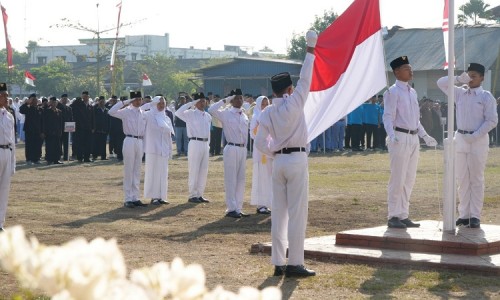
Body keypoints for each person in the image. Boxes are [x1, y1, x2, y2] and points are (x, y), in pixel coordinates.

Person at [254, 30, 318, 278]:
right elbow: (306, 77)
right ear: (289, 89)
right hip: (296, 159)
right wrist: (310, 49)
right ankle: (295, 263)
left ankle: (279, 262)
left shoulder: (267, 112)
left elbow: (260, 142)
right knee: (297, 213)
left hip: (279, 160)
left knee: (278, 213)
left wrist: (274, 153)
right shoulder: (295, 101)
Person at [437, 63, 498, 228]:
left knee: (476, 179)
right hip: (461, 138)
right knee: (462, 178)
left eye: (474, 76)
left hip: (478, 140)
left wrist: (476, 135)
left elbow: (492, 120)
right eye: (468, 75)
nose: (470, 79)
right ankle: (464, 214)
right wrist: (457, 78)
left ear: (482, 78)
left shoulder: (486, 97)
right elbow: (440, 83)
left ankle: (475, 215)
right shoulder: (460, 93)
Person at [383, 56, 438, 229]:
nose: (411, 71)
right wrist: (391, 135)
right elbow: (388, 116)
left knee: (409, 178)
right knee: (398, 178)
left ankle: (403, 214)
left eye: (411, 67)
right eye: (407, 68)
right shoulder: (392, 92)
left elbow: (415, 120)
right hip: (400, 137)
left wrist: (425, 135)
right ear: (397, 72)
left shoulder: (412, 92)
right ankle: (393, 215)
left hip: (413, 137)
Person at [208, 88, 249, 218]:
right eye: (236, 98)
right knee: (231, 179)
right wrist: (225, 100)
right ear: (231, 101)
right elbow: (211, 110)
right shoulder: (226, 113)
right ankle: (231, 208)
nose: (239, 100)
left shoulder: (244, 114)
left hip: (242, 149)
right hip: (231, 148)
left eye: (241, 98)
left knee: (241, 180)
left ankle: (238, 207)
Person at [109, 91, 148, 208]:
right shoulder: (126, 111)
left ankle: (135, 197)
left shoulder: (143, 113)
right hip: (129, 140)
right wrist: (125, 102)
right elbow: (111, 111)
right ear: (131, 100)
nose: (138, 101)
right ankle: (128, 198)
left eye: (139, 99)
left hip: (139, 141)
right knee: (129, 169)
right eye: (135, 99)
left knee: (137, 170)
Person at [175, 92, 212, 204]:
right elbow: (178, 112)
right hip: (195, 142)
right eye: (199, 101)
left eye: (203, 100)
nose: (202, 103)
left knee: (203, 170)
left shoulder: (208, 116)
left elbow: (208, 132)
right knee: (194, 169)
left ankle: (200, 194)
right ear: (195, 103)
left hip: (205, 144)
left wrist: (208, 145)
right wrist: (191, 103)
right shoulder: (190, 113)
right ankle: (192, 195)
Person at [142, 96, 174, 205]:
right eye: (159, 103)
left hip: (163, 149)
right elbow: (139, 111)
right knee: (153, 173)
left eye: (163, 103)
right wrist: (149, 104)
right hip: (152, 148)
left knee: (163, 173)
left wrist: (170, 149)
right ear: (154, 104)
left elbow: (169, 136)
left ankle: (161, 196)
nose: (161, 106)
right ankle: (154, 197)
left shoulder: (166, 118)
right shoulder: (148, 115)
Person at [250, 96, 272, 214]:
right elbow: (253, 134)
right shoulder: (256, 117)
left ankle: (267, 203)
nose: (265, 106)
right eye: (263, 104)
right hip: (260, 152)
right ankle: (260, 204)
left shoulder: (270, 116)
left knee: (269, 178)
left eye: (267, 104)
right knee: (261, 177)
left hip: (270, 151)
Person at [0, 83, 15, 231]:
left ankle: (0, 223)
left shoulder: (9, 115)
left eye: (6, 95)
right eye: (3, 95)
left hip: (6, 152)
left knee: (4, 190)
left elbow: (13, 142)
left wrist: (13, 163)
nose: (6, 98)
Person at [19, 93, 43, 165]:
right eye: (33, 100)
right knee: (29, 145)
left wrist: (42, 131)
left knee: (37, 145)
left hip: (38, 130)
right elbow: (21, 110)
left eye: (35, 99)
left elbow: (42, 121)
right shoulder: (27, 108)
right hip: (29, 130)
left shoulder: (40, 109)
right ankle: (29, 159)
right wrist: (27, 103)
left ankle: (36, 159)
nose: (34, 101)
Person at [71, 91, 94, 163]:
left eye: (86, 96)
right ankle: (80, 158)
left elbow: (93, 118)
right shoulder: (79, 105)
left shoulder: (90, 106)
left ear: (88, 97)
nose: (85, 98)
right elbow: (72, 106)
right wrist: (77, 101)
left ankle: (87, 158)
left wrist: (93, 127)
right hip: (80, 128)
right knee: (80, 144)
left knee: (88, 144)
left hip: (88, 128)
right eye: (83, 97)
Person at [42, 97, 64, 165]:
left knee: (57, 146)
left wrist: (60, 131)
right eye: (52, 102)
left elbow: (61, 122)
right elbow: (44, 122)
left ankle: (56, 159)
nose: (53, 104)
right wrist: (44, 131)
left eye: (54, 102)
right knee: (49, 146)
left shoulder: (59, 112)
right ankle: (49, 159)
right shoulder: (47, 111)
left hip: (57, 132)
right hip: (49, 132)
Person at [57, 94, 73, 161]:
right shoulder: (58, 107)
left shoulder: (69, 108)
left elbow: (71, 118)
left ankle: (66, 157)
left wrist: (72, 126)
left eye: (66, 99)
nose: (65, 100)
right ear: (61, 99)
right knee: (59, 143)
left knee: (66, 143)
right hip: (60, 127)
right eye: (63, 98)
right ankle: (58, 156)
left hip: (67, 128)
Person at [93, 96, 110, 160]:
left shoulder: (106, 110)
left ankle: (103, 156)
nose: (102, 103)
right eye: (101, 101)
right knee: (96, 143)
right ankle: (95, 156)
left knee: (103, 144)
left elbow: (108, 121)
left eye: (103, 101)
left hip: (104, 129)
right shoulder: (95, 109)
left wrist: (108, 129)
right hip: (97, 129)